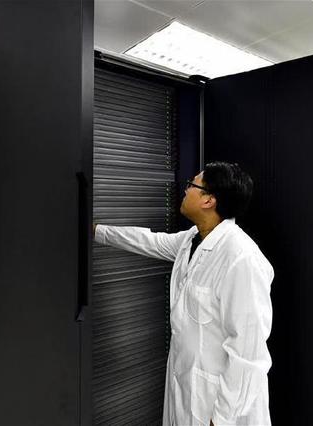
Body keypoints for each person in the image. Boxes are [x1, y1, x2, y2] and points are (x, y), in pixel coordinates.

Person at [94, 161, 274, 426]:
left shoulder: (241, 259)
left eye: (192, 185)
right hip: (187, 390)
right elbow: (151, 241)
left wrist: (221, 419)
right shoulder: (192, 240)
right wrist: (97, 231)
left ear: (208, 200)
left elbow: (248, 352)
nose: (185, 189)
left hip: (221, 407)